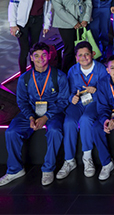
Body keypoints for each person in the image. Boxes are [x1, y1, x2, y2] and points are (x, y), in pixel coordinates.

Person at [0, 43, 70, 187]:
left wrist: (46, 117)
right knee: (11, 132)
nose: (40, 58)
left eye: (44, 55)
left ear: (49, 56)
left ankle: (48, 169)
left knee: (55, 131)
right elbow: (22, 101)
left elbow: (63, 101)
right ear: (31, 58)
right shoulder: (24, 78)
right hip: (31, 112)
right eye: (36, 56)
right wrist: (31, 117)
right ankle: (15, 169)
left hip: (53, 112)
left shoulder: (59, 76)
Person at [56, 42, 108, 180]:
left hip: (95, 102)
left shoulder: (101, 69)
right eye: (80, 55)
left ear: (93, 54)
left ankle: (87, 157)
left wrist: (96, 91)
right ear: (76, 57)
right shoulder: (73, 70)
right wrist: (71, 98)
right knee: (69, 121)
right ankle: (69, 160)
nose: (84, 57)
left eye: (87, 54)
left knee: (86, 119)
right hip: (78, 102)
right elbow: (69, 91)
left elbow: (107, 92)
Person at [9, 0, 52, 73]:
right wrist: (13, 24)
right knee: (24, 50)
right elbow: (13, 3)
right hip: (22, 22)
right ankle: (23, 75)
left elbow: (48, 8)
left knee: (35, 49)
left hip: (37, 21)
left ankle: (35, 72)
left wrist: (46, 24)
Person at [50, 0, 93, 72]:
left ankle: (79, 71)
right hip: (66, 24)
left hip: (82, 22)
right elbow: (59, 9)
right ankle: (65, 74)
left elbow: (88, 1)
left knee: (81, 49)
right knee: (69, 50)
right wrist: (73, 22)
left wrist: (86, 18)